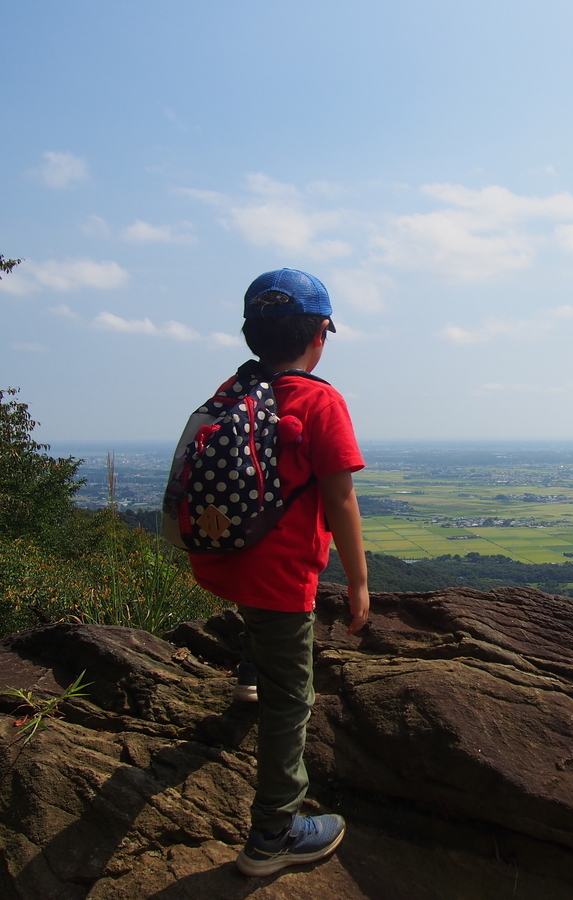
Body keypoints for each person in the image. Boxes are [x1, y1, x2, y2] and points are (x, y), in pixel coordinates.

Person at [187, 268, 370, 877]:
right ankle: (273, 833)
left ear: (251, 335)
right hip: (281, 578)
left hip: (223, 556)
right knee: (291, 701)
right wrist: (359, 583)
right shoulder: (320, 400)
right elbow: (340, 498)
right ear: (320, 334)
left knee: (258, 628)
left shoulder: (234, 388)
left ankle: (249, 670)